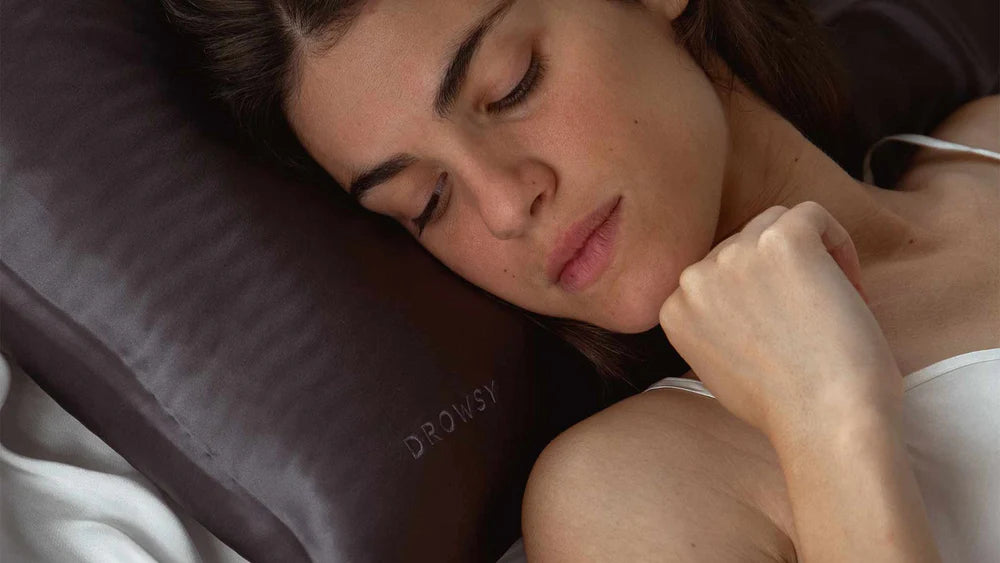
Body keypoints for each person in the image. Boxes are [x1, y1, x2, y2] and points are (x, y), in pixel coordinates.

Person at [162, 0, 999, 560]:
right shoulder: (627, 496)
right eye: (427, 202)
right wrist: (831, 425)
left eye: (510, 86)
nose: (503, 205)